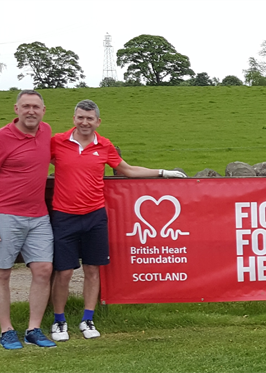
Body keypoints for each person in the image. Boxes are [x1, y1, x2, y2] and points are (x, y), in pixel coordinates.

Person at [49, 99, 186, 341]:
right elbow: (34, 162)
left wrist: (162, 172)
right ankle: (59, 321)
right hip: (64, 215)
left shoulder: (104, 145)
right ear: (74, 119)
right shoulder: (58, 142)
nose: (84, 122)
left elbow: (128, 170)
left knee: (93, 269)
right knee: (64, 272)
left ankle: (87, 318)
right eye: (80, 117)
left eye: (89, 118)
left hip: (95, 215)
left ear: (97, 121)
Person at [0, 90, 57, 349]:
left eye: (35, 106)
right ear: (16, 109)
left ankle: (34, 328)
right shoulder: (1, 138)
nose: (31, 111)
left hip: (38, 215)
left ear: (43, 110)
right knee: (2, 272)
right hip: (6, 214)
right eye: (26, 106)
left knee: (44, 270)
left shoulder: (46, 132)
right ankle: (6, 330)